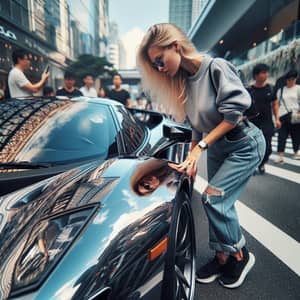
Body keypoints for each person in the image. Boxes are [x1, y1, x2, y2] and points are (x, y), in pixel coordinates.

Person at [137, 23, 265, 289]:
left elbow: (234, 114)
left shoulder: (215, 67)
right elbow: (196, 123)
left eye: (160, 60)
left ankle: (240, 255)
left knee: (214, 199)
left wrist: (199, 149)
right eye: (155, 65)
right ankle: (221, 257)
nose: (160, 68)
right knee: (217, 202)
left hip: (243, 144)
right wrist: (191, 157)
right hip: (219, 146)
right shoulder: (185, 81)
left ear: (175, 45)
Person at [246, 64, 281, 174]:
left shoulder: (270, 88)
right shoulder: (249, 90)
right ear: (256, 75)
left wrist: (277, 119)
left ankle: (262, 163)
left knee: (268, 147)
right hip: (252, 123)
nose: (266, 74)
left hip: (267, 123)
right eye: (264, 72)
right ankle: (253, 165)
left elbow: (275, 104)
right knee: (253, 146)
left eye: (266, 72)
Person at [276, 70, 300, 162]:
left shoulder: (298, 88)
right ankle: (280, 156)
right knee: (282, 136)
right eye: (289, 79)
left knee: (296, 135)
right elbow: (277, 104)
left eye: (293, 79)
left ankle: (295, 152)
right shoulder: (281, 90)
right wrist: (276, 118)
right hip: (283, 115)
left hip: (295, 115)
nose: (291, 81)